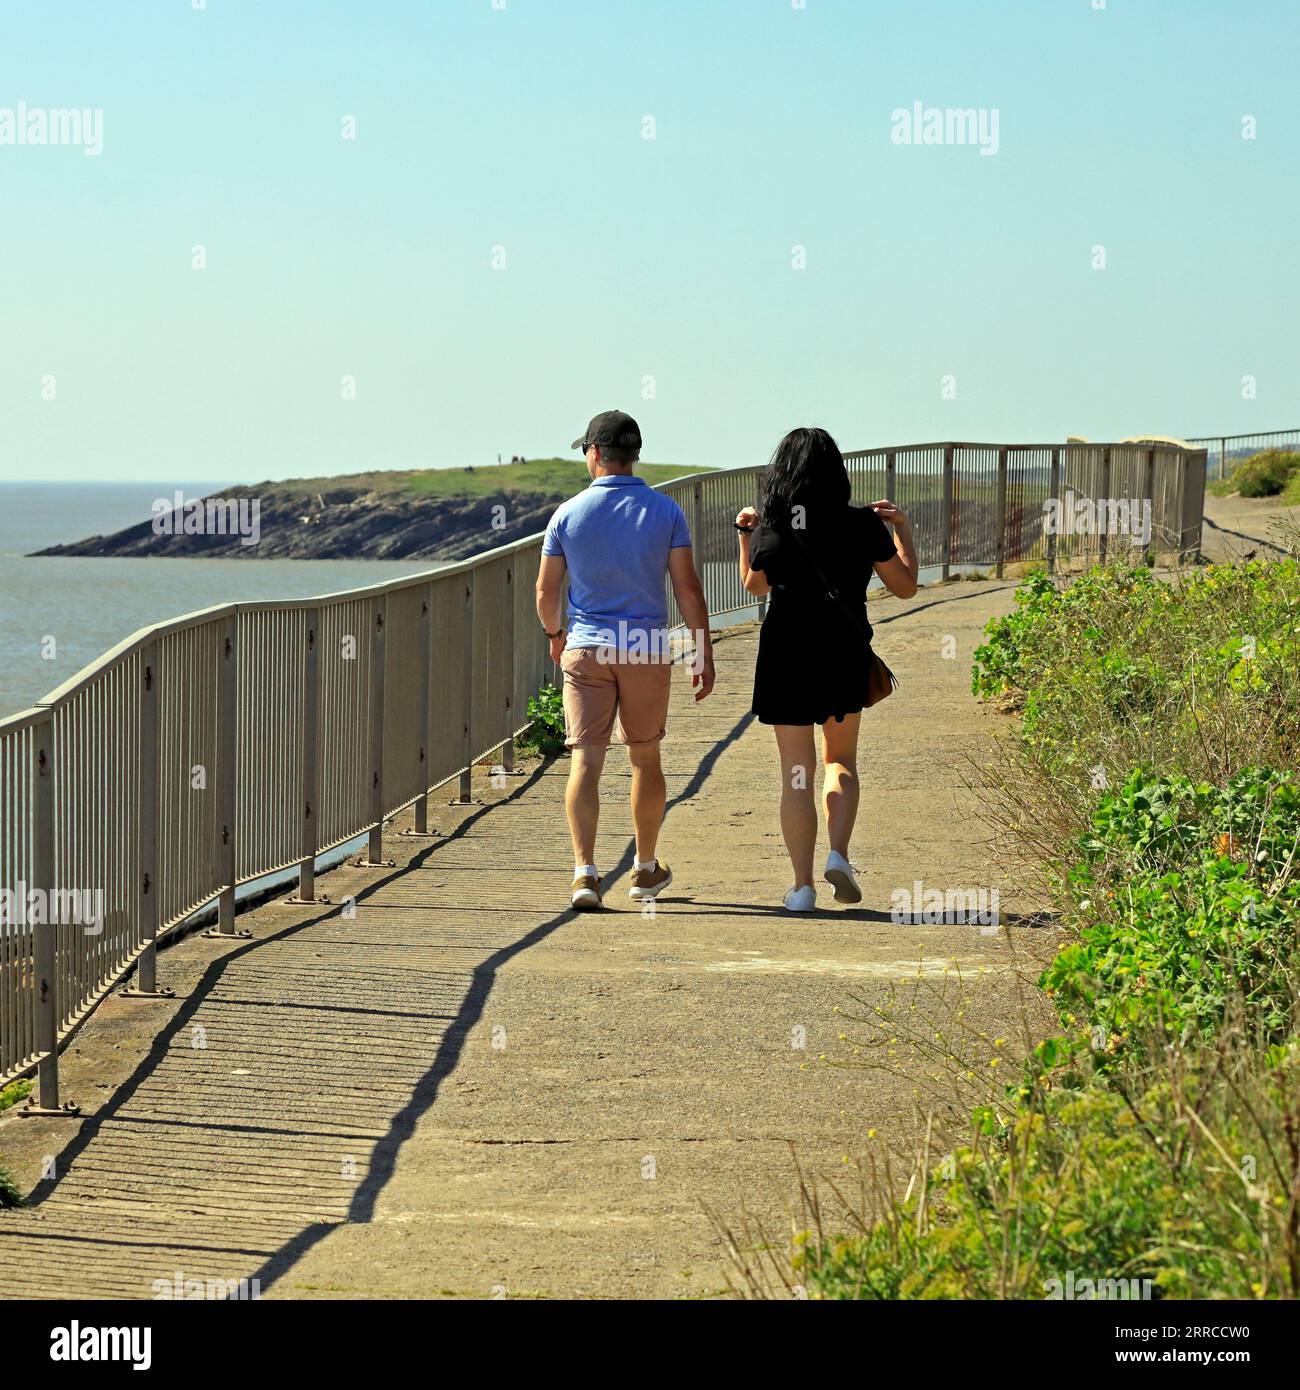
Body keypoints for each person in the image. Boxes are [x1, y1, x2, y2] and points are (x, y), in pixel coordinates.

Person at [536, 410, 715, 910]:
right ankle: (644, 870)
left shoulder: (566, 514)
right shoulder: (665, 511)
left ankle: (585, 875)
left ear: (593, 453)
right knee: (645, 757)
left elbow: (546, 590)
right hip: (645, 647)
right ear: (635, 455)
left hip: (588, 646)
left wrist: (556, 635)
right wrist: (701, 649)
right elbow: (687, 586)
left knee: (586, 762)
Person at [735, 427, 918, 912]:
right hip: (842, 650)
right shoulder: (861, 524)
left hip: (787, 653)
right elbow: (905, 588)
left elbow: (754, 585)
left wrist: (746, 535)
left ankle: (802, 888)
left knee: (796, 771)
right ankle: (838, 853)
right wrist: (902, 529)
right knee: (841, 761)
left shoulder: (776, 523)